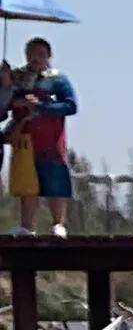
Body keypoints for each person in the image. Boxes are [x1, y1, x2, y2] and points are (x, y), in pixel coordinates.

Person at [2, 39, 78, 238]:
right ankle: (27, 226)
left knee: (55, 179)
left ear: (48, 56)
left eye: (40, 53)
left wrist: (42, 106)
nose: (35, 57)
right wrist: (12, 92)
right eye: (31, 53)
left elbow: (71, 106)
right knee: (27, 182)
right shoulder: (18, 78)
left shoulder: (58, 79)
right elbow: (7, 101)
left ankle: (58, 223)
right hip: (25, 136)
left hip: (50, 137)